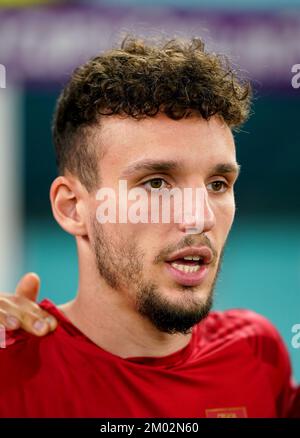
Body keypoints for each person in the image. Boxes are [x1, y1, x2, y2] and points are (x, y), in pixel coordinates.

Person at [0, 36, 299, 418]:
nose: (200, 217)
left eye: (217, 184)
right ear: (73, 208)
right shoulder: (11, 370)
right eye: (157, 183)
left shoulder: (258, 353)